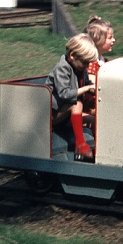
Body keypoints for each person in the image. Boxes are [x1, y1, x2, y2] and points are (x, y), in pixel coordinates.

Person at [45, 33, 98, 161]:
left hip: (65, 114)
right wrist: (85, 89)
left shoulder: (80, 68)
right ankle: (80, 145)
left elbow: (87, 84)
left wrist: (95, 89)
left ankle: (96, 152)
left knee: (93, 119)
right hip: (51, 115)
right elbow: (64, 94)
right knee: (77, 104)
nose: (86, 67)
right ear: (72, 55)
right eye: (85, 63)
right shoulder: (62, 68)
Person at [82, 16, 115, 120]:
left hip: (105, 100)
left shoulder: (105, 62)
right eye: (110, 38)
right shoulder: (91, 64)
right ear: (97, 41)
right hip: (93, 105)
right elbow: (93, 88)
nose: (114, 40)